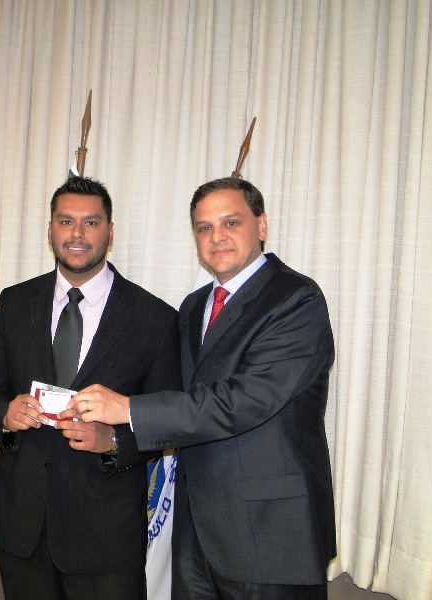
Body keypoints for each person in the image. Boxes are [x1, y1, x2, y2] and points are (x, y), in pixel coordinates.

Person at [72, 177, 336, 599]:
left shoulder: (295, 299)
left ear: (262, 225)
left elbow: (244, 400)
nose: (217, 237)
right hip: (195, 529)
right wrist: (106, 429)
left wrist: (128, 408)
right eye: (204, 227)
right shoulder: (194, 306)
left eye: (231, 222)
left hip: (269, 532)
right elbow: (176, 394)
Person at [0, 176, 181, 600]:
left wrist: (113, 441)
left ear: (110, 232)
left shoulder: (154, 318)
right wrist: (5, 415)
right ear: (50, 230)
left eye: (91, 222)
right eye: (66, 221)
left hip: (105, 536)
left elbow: (169, 421)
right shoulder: (15, 303)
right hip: (22, 526)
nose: (77, 233)